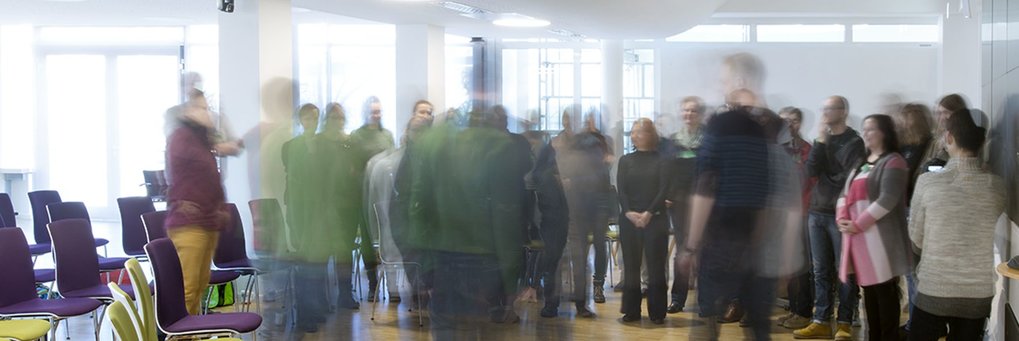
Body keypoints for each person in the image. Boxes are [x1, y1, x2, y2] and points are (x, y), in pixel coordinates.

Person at [407, 109, 529, 338]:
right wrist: (511, 278)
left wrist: (423, 266)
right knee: (473, 330)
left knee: (445, 329)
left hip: (442, 258)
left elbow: (419, 206)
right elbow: (505, 215)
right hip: (481, 260)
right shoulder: (498, 147)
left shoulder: (435, 143)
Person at [908, 110, 1004, 341]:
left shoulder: (928, 182)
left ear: (949, 137)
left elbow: (916, 240)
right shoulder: (997, 186)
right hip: (978, 293)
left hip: (935, 288)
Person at [835, 114, 912, 341]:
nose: (866, 134)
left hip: (881, 240)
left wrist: (858, 223)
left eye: (871, 129)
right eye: (864, 129)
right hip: (860, 241)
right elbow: (844, 194)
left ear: (884, 133)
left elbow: (887, 199)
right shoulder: (862, 163)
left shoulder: (894, 161)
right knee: (869, 292)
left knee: (884, 293)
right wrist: (842, 219)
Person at [795, 96, 864, 341]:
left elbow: (848, 176)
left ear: (843, 111)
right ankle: (821, 320)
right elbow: (811, 170)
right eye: (823, 108)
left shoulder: (854, 141)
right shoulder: (822, 139)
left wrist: (826, 155)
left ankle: (844, 321)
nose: (824, 113)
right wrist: (821, 140)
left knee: (844, 270)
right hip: (816, 211)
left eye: (830, 108)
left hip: (841, 213)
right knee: (820, 270)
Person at [164, 89, 232, 316]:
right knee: (188, 290)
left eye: (207, 109)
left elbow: (211, 179)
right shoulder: (181, 138)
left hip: (208, 222)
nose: (207, 113)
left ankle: (191, 333)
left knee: (200, 286)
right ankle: (180, 335)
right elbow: (190, 175)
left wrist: (220, 208)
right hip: (189, 223)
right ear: (188, 111)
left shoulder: (202, 141)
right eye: (201, 108)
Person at [559, 108, 615, 316]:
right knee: (579, 251)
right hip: (579, 200)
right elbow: (567, 165)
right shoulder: (576, 141)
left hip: (599, 198)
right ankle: (580, 300)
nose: (589, 122)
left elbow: (606, 165)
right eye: (587, 118)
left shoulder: (603, 140)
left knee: (600, 244)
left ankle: (597, 284)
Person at [282, 103, 331, 332]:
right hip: (300, 211)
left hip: (319, 212)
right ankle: (304, 315)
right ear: (301, 120)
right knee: (304, 265)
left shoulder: (324, 145)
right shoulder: (290, 147)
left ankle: (317, 308)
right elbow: (295, 179)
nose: (310, 122)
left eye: (314, 118)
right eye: (306, 118)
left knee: (318, 264)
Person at [617, 118, 671, 324]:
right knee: (631, 267)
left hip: (655, 219)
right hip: (629, 219)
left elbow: (663, 189)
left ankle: (657, 312)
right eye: (632, 132)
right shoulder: (625, 160)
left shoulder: (663, 160)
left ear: (650, 134)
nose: (634, 135)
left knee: (656, 267)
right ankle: (631, 311)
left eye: (639, 131)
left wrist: (648, 212)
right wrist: (629, 212)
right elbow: (621, 190)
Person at [662, 96, 706, 314]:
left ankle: (706, 300)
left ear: (700, 114)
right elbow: (667, 172)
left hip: (703, 203)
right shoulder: (672, 141)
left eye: (693, 111)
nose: (689, 114)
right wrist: (668, 195)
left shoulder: (709, 139)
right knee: (682, 251)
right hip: (679, 204)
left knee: (703, 250)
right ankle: (678, 298)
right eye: (686, 110)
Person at [350, 95, 396, 301]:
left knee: (387, 235)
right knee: (368, 238)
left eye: (378, 111)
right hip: (363, 191)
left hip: (384, 192)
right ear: (365, 113)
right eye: (372, 111)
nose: (376, 115)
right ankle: (372, 283)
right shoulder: (356, 136)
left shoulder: (387, 134)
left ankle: (392, 284)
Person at [318, 103, 362, 310]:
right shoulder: (318, 143)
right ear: (327, 119)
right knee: (323, 251)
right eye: (335, 118)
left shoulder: (351, 143)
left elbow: (356, 172)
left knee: (345, 252)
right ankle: (323, 298)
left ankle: (345, 293)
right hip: (324, 205)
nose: (338, 122)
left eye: (341, 118)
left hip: (347, 205)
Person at [776, 106, 814, 330]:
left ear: (799, 123)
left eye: (793, 120)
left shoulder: (806, 149)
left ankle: (803, 311)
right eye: (783, 121)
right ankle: (793, 309)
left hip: (801, 213)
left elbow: (808, 182)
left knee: (801, 265)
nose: (788, 125)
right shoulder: (777, 149)